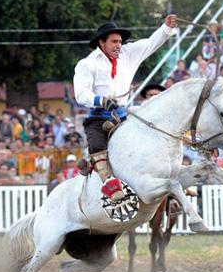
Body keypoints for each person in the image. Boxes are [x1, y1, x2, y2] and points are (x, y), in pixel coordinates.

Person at [73, 15, 177, 201]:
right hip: (98, 116)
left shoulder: (128, 54)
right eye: (114, 41)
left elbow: (151, 43)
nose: (118, 45)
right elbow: (81, 95)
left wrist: (166, 28)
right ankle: (108, 183)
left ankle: (161, 176)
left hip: (123, 115)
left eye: (120, 41)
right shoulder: (87, 64)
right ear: (101, 42)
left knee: (150, 135)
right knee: (97, 145)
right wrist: (102, 101)